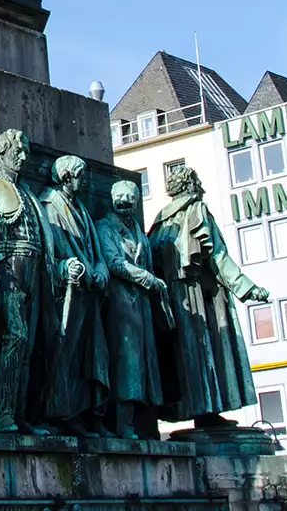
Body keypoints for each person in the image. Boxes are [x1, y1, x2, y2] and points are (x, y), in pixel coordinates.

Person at [149, 161, 270, 426]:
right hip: (199, 295)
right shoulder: (196, 210)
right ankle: (207, 412)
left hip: (172, 298)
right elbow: (216, 255)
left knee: (185, 353)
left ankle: (195, 410)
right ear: (191, 184)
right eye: (197, 182)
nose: (201, 187)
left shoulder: (159, 221)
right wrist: (247, 288)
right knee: (206, 350)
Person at [0, 129, 48, 434]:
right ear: (1, 152)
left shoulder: (28, 193)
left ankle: (21, 413)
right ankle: (2, 413)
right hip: (6, 269)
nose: (24, 157)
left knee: (31, 343)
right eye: (18, 151)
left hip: (35, 271)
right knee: (14, 336)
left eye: (26, 152)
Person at [36, 155, 110, 435]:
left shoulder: (81, 209)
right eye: (81, 175)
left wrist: (101, 270)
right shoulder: (48, 204)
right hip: (65, 293)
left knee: (89, 355)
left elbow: (97, 252)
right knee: (64, 355)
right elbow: (46, 250)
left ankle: (88, 412)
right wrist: (64, 266)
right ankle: (63, 414)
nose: (86, 181)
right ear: (66, 177)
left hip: (88, 293)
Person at [96, 179, 167, 438]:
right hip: (119, 304)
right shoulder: (104, 228)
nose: (125, 207)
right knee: (126, 362)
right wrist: (148, 279)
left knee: (142, 365)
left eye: (130, 203)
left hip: (141, 305)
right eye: (120, 202)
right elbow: (114, 263)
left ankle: (140, 422)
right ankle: (121, 423)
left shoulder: (139, 231)